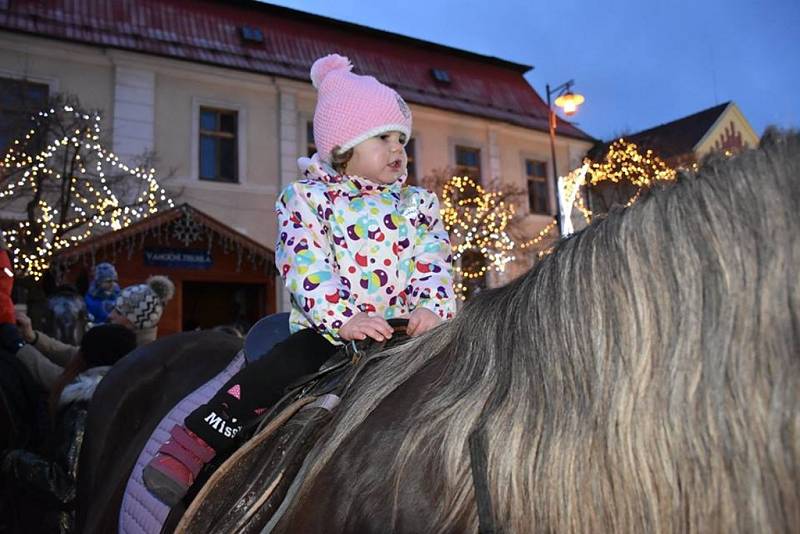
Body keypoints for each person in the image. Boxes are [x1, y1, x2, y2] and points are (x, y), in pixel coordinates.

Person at [142, 53, 457, 505]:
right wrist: (343, 319)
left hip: (406, 333)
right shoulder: (309, 199)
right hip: (330, 331)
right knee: (284, 367)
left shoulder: (418, 205)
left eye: (401, 139)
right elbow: (304, 263)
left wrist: (432, 308)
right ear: (344, 149)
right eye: (383, 138)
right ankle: (193, 444)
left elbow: (434, 262)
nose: (397, 149)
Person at [0, 323, 137, 533]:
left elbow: (65, 485)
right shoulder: (126, 396)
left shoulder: (85, 406)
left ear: (86, 356)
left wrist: (11, 458)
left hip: (72, 525)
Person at [11, 275, 175, 390]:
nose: (110, 315)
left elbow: (70, 385)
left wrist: (20, 348)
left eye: (118, 311)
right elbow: (75, 355)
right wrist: (34, 338)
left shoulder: (134, 362)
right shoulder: (121, 345)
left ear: (134, 321)